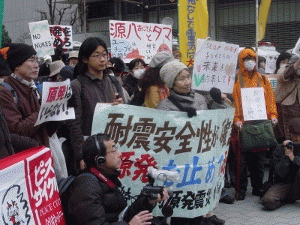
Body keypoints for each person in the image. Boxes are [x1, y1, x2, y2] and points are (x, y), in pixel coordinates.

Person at [156, 61, 224, 225]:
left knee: (200, 194)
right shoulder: (164, 107)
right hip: (181, 162)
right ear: (171, 83)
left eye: (188, 77)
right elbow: (165, 139)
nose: (187, 82)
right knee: (183, 206)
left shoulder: (200, 99)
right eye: (181, 79)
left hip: (201, 157)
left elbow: (210, 125)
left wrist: (219, 102)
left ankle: (206, 216)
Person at [65, 133, 168, 225]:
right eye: (114, 150)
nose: (119, 154)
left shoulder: (105, 178)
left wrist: (147, 201)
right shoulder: (86, 186)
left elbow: (122, 217)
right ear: (100, 160)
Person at [68, 37, 124, 173]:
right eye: (96, 55)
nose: (102, 59)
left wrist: (120, 107)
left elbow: (124, 113)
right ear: (85, 59)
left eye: (104, 54)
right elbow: (74, 125)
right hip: (91, 151)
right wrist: (81, 156)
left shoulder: (113, 81)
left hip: (112, 147)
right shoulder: (77, 85)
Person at [232, 47, 278, 200]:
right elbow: (235, 103)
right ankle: (241, 190)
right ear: (241, 61)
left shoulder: (263, 79)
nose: (249, 62)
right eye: (246, 59)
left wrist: (273, 115)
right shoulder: (236, 79)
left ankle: (258, 188)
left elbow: (270, 100)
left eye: (252, 58)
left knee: (259, 161)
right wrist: (236, 120)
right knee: (242, 162)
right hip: (242, 126)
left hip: (260, 125)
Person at [0, 43, 58, 146]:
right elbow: (16, 130)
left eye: (37, 60)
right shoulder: (5, 92)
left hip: (41, 153)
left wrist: (59, 113)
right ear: (16, 64)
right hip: (25, 157)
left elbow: (46, 130)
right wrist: (42, 112)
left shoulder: (34, 89)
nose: (37, 65)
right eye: (31, 60)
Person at [261, 118, 300, 210]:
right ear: (289, 132)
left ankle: (289, 197)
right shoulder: (280, 148)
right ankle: (287, 199)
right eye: (295, 135)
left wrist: (294, 158)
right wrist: (286, 155)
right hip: (284, 183)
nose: (298, 138)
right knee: (268, 201)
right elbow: (280, 173)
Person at [274, 55, 300, 140]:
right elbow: (285, 75)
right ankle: (288, 148)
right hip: (288, 106)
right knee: (289, 131)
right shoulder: (283, 69)